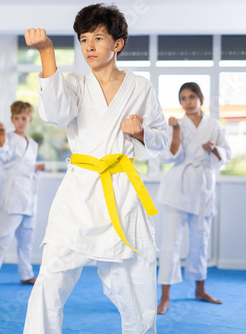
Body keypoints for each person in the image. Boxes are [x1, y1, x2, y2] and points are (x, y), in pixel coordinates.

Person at [23, 3, 168, 333]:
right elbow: (55, 113)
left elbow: (160, 139)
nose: (89, 46)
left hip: (121, 193)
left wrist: (142, 132)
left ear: (117, 44)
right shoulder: (74, 83)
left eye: (98, 37)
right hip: (79, 192)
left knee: (136, 281)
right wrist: (46, 52)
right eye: (84, 38)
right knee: (50, 279)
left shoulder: (140, 87)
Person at [156, 82, 231, 314]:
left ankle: (200, 289)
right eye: (182, 99)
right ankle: (165, 296)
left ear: (200, 98)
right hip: (178, 187)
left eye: (191, 97)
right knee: (170, 242)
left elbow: (226, 154)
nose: (187, 102)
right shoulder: (175, 124)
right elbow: (170, 157)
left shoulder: (214, 125)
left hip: (202, 188)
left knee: (201, 240)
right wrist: (175, 131)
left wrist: (214, 149)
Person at [0, 101, 45, 297]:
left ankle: (26, 274)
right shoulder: (10, 138)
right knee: (1, 238)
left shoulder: (33, 144)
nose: (20, 122)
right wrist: (2, 133)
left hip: (30, 195)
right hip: (14, 193)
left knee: (27, 238)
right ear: (12, 119)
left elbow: (27, 168)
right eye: (16, 118)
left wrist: (36, 169)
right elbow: (3, 155)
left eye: (24, 118)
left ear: (30, 120)